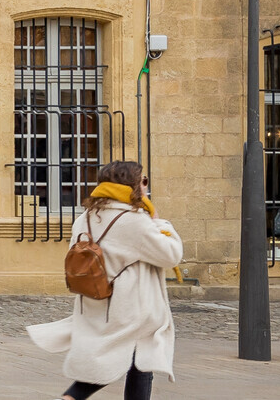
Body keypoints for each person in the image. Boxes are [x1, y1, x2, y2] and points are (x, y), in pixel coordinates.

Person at [28, 161, 184, 400]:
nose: (145, 186)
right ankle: (71, 397)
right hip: (131, 304)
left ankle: (71, 397)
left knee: (128, 360)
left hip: (97, 297)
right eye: (143, 181)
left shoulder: (87, 217)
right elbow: (171, 254)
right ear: (130, 185)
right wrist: (160, 223)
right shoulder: (135, 220)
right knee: (138, 360)